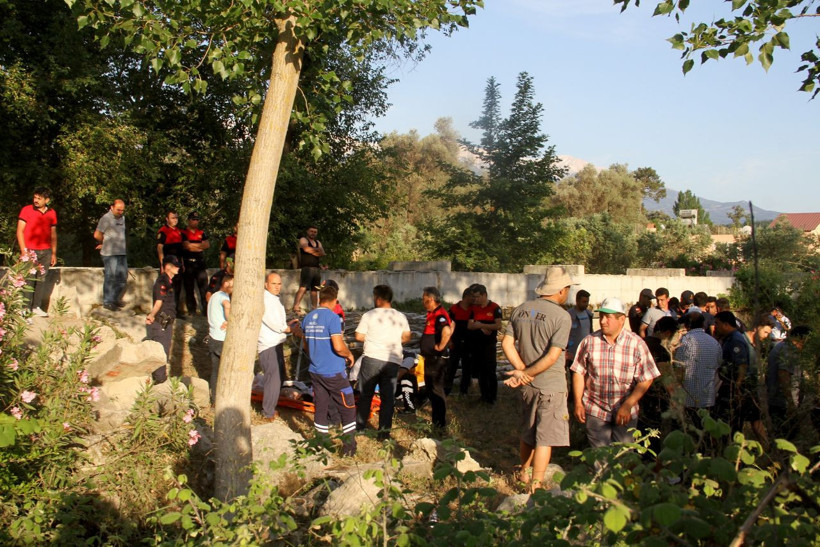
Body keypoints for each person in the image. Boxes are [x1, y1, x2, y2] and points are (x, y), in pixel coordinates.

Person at [502, 266, 575, 492]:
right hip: (550, 385)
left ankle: (523, 472)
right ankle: (537, 483)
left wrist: (522, 371)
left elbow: (506, 344)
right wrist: (529, 372)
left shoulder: (521, 310)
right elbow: (553, 356)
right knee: (546, 437)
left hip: (527, 386)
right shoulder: (562, 316)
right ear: (562, 290)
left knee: (528, 430)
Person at [571, 297, 660, 447]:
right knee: (600, 457)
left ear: (622, 319)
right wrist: (578, 402)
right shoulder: (589, 342)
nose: (603, 321)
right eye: (602, 316)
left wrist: (628, 404)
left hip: (625, 410)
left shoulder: (636, 344)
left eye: (608, 317)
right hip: (595, 409)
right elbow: (578, 371)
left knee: (623, 455)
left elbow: (646, 378)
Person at [302, 284, 356, 456]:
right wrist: (349, 355)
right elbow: (338, 346)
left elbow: (306, 345)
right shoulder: (332, 318)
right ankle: (348, 449)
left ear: (319, 299)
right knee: (348, 407)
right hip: (333, 371)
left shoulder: (308, 318)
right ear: (334, 300)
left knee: (321, 406)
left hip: (315, 370)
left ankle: (320, 442)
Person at [354, 284, 412, 439]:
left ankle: (359, 427)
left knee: (366, 394)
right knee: (388, 398)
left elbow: (358, 336)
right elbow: (407, 336)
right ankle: (384, 433)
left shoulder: (370, 315)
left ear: (378, 298)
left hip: (372, 357)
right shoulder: (400, 316)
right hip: (392, 361)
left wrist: (374, 338)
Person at [713, 311, 768, 444]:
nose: (715, 327)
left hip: (738, 388)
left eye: (718, 324)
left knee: (735, 423)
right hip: (732, 386)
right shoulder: (729, 339)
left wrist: (737, 386)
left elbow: (742, 365)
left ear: (726, 324)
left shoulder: (735, 340)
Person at [259, 272, 300, 421]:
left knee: (278, 377)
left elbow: (278, 323)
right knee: (273, 378)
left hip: (276, 342)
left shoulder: (274, 299)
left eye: (279, 284)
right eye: (273, 284)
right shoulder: (265, 300)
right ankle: (268, 412)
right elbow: (273, 322)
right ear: (266, 284)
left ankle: (271, 406)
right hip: (268, 343)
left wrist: (287, 325)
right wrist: (288, 329)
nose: (277, 287)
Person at [17, 187, 57, 317]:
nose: (36, 200)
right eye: (35, 197)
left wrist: (54, 253)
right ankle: (25, 307)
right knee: (29, 279)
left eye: (39, 198)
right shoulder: (26, 210)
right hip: (30, 250)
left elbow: (53, 234)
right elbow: (19, 231)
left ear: (47, 200)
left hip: (45, 251)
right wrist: (24, 251)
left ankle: (36, 307)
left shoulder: (52, 213)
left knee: (41, 279)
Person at [675, 312, 722, 422]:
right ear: (703, 324)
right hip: (709, 398)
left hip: (689, 398)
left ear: (686, 326)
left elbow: (679, 370)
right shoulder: (714, 342)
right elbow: (718, 367)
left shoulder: (685, 341)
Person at [767, 326, 812, 439]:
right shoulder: (788, 350)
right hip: (782, 403)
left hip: (782, 402)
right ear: (802, 339)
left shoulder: (785, 347)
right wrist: (790, 403)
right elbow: (784, 375)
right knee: (786, 437)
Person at [420, 286, 453, 430]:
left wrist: (440, 346)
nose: (422, 301)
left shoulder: (440, 314)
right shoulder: (433, 313)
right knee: (431, 390)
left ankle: (440, 424)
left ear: (431, 299)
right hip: (430, 359)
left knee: (437, 390)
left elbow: (446, 330)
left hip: (436, 360)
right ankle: (436, 421)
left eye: (424, 298)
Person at [146, 255, 181, 379]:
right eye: (175, 266)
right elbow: (159, 302)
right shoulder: (162, 282)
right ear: (168, 267)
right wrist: (151, 315)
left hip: (167, 322)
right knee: (161, 351)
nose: (178, 268)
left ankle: (161, 377)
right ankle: (159, 379)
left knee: (165, 350)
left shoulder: (169, 281)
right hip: (161, 322)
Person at [467, 284, 502, 404]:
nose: (475, 299)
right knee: (480, 371)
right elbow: (470, 325)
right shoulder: (473, 308)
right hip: (476, 345)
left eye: (477, 297)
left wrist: (480, 325)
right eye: (473, 297)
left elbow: (498, 325)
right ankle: (483, 395)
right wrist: (480, 327)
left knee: (490, 371)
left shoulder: (494, 307)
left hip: (489, 345)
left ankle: (492, 397)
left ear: (484, 295)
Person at [94, 199, 128, 311]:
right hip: (110, 253)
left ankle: (114, 299)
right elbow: (97, 234)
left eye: (122, 210)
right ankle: (107, 301)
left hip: (121, 252)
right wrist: (104, 242)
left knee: (122, 277)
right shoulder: (106, 219)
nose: (120, 212)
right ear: (112, 207)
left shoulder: (122, 218)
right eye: (118, 210)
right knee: (110, 277)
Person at [207, 274, 233, 405]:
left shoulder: (213, 296)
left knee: (215, 371)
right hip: (221, 339)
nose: (233, 288)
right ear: (226, 284)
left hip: (212, 338)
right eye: (232, 285)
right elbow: (226, 305)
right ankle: (226, 399)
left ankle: (214, 400)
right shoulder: (223, 297)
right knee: (228, 370)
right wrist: (231, 318)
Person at [446, 287, 475, 396]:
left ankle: (464, 391)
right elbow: (447, 326)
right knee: (451, 366)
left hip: (469, 343)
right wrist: (449, 341)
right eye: (472, 296)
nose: (474, 298)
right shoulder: (454, 309)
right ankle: (447, 389)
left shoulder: (473, 310)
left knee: (467, 368)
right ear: (466, 296)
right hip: (455, 342)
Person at [292, 225, 326, 314]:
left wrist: (313, 251)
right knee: (303, 288)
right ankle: (296, 307)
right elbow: (306, 249)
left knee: (315, 290)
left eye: (315, 232)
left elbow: (322, 253)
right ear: (307, 231)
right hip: (307, 268)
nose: (313, 233)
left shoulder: (318, 242)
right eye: (311, 231)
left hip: (316, 269)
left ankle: (314, 309)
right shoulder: (303, 240)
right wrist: (316, 251)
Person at [156, 211, 185, 316]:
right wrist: (162, 264)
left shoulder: (178, 231)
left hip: (177, 263)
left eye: (176, 218)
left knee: (177, 288)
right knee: (167, 288)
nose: (175, 220)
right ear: (167, 219)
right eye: (173, 218)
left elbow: (180, 250)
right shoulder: (163, 231)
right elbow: (160, 248)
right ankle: (165, 311)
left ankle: (175, 311)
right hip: (168, 263)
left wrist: (182, 263)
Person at [181, 212, 210, 316]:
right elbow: (186, 246)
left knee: (204, 287)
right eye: (193, 219)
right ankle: (192, 311)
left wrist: (194, 246)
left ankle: (206, 310)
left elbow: (207, 245)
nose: (195, 221)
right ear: (189, 220)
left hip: (200, 263)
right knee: (189, 288)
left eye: (197, 219)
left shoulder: (201, 232)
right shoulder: (183, 232)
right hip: (188, 263)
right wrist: (199, 246)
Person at [566, 290, 593, 368]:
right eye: (584, 302)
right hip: (572, 353)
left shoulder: (588, 314)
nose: (586, 304)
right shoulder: (569, 315)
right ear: (577, 301)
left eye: (587, 302)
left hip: (586, 352)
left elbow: (591, 331)